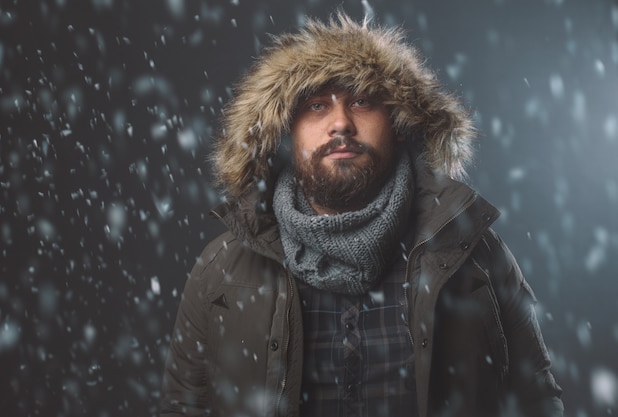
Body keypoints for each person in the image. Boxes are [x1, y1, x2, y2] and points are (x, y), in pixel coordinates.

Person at [159, 13, 564, 417]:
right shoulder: (223, 267)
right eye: (316, 105)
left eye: (362, 101)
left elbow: (535, 399)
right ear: (287, 132)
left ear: (399, 124)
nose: (340, 123)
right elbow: (183, 407)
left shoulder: (471, 251)